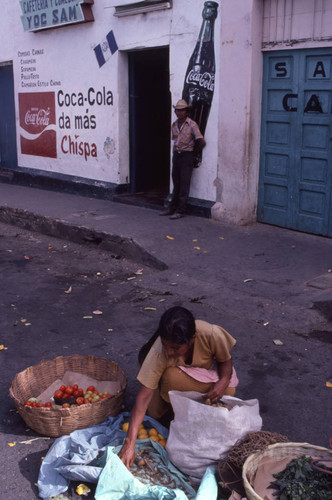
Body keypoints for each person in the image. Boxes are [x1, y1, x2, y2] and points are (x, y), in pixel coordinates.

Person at [118, 306, 238, 469]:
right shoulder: (160, 351)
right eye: (166, 345)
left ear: (192, 339)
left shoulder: (210, 334)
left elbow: (225, 360)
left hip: (205, 377)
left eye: (175, 348)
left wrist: (223, 380)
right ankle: (178, 412)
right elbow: (144, 396)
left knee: (227, 390)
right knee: (153, 413)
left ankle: (188, 412)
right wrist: (129, 443)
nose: (169, 351)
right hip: (179, 379)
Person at [160, 99, 206, 219]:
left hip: (187, 156)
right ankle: (172, 208)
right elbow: (175, 140)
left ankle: (180, 211)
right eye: (177, 110)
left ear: (186, 112)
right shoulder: (174, 125)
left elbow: (201, 141)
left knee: (184, 184)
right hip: (177, 156)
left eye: (182, 111)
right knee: (176, 183)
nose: (179, 113)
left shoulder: (192, 124)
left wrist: (193, 154)